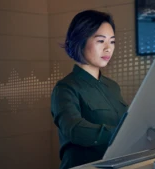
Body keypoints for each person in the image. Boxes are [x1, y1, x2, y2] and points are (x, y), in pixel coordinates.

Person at [50, 10, 128, 169]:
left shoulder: (112, 86)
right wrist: (121, 134)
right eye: (101, 41)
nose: (108, 48)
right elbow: (75, 129)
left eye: (112, 41)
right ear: (80, 40)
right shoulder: (65, 88)